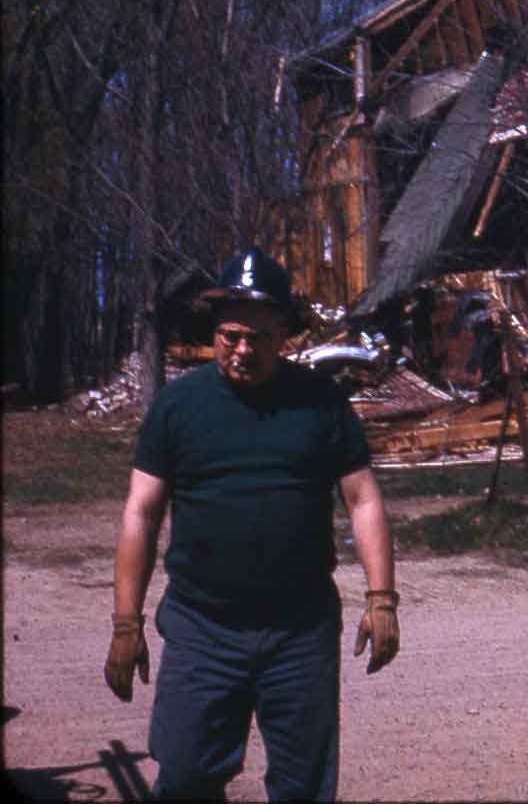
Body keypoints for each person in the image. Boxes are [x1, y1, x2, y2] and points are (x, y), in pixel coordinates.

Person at [103, 247, 398, 802]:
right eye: (230, 335)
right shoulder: (177, 407)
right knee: (186, 778)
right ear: (215, 329)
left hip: (300, 630)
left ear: (283, 334)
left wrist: (382, 598)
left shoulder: (320, 403)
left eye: (258, 338)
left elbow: (363, 500)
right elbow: (140, 513)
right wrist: (126, 624)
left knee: (304, 786)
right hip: (201, 628)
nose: (242, 349)